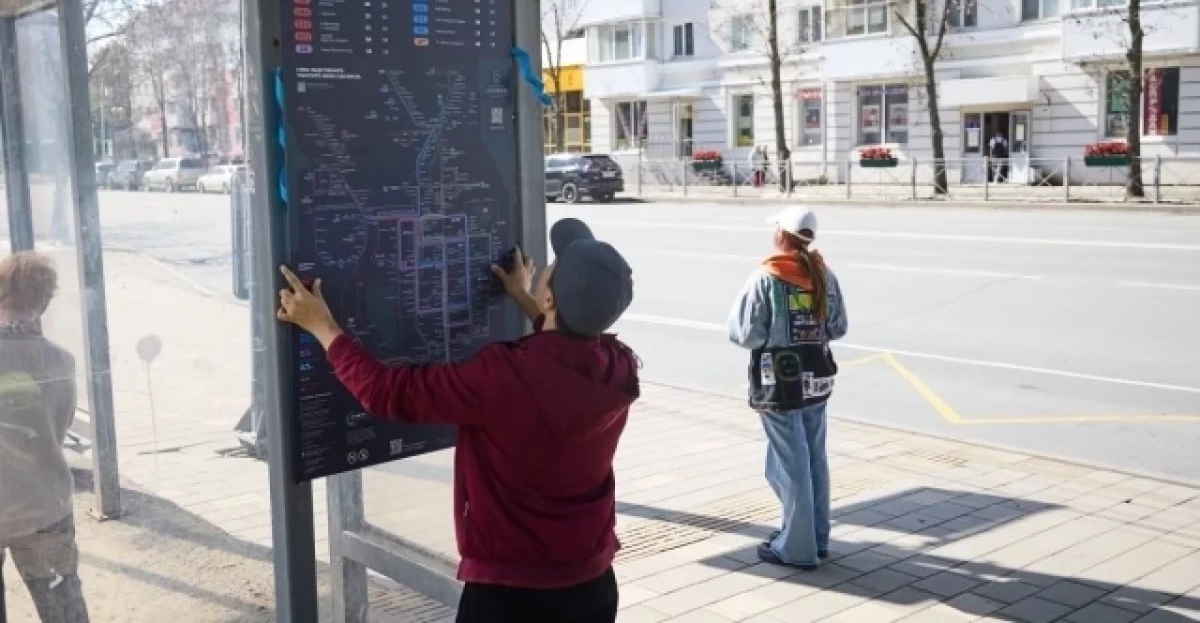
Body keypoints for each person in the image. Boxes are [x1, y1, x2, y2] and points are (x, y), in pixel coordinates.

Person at [277, 218, 639, 623]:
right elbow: (562, 351)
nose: (547, 269)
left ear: (551, 300)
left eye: (551, 271)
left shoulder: (503, 376)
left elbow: (387, 392)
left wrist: (321, 325)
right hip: (591, 584)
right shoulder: (619, 367)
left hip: (512, 596)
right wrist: (522, 295)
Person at [727, 207, 848, 570]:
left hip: (779, 382)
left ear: (782, 236)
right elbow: (838, 327)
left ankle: (797, 547)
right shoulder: (824, 275)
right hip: (817, 377)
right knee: (814, 457)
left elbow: (746, 334)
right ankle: (818, 537)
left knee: (791, 462)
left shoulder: (767, 277)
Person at [0, 252, 91, 622]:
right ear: (44, 302)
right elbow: (61, 423)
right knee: (63, 609)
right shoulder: (61, 361)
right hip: (44, 505)